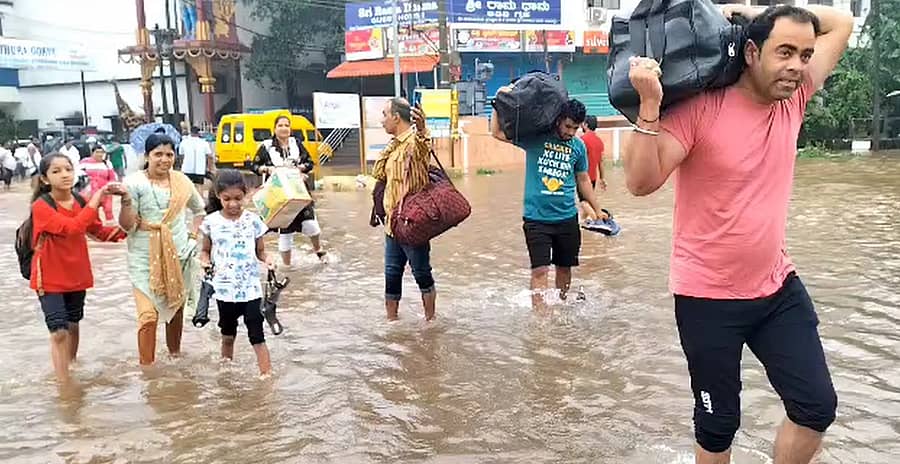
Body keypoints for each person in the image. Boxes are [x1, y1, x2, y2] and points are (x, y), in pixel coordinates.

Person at [624, 5, 852, 462]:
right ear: (751, 52)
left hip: (776, 288)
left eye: (805, 55)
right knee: (717, 426)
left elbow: (841, 22)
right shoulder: (701, 109)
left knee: (816, 406)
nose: (797, 66)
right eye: (784, 52)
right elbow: (640, 183)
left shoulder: (795, 98)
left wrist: (756, 12)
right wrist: (649, 105)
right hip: (706, 298)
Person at [490, 98, 606, 308]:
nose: (571, 132)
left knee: (564, 268)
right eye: (568, 126)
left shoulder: (578, 147)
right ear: (558, 120)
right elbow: (497, 133)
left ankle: (560, 307)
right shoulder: (536, 138)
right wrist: (497, 104)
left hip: (567, 218)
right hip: (536, 218)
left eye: (575, 128)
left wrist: (597, 210)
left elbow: (583, 179)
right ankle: (540, 320)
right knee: (540, 270)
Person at [26, 153, 126, 383]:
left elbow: (97, 231)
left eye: (68, 169)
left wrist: (130, 227)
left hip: (76, 274)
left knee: (73, 324)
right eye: (56, 171)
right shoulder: (41, 206)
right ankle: (64, 385)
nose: (65, 175)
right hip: (49, 277)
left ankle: (71, 367)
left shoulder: (80, 201)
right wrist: (96, 199)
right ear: (45, 179)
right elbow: (72, 227)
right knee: (59, 331)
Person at [118, 134, 206, 366]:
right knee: (148, 317)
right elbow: (127, 226)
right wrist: (125, 201)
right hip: (143, 256)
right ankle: (147, 370)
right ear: (147, 156)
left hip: (179, 254)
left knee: (175, 310)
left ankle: (175, 358)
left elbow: (199, 210)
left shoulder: (182, 181)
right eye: (158, 154)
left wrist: (192, 236)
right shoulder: (134, 183)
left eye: (169, 154)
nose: (164, 159)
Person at [199, 169, 274, 375]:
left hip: (251, 290)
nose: (233, 204)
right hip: (224, 290)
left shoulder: (253, 221)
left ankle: (266, 376)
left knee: (257, 336)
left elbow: (260, 251)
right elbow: (205, 251)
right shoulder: (211, 222)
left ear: (246, 194)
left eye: (238, 199)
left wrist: (268, 260)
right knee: (227, 335)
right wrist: (204, 262)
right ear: (218, 196)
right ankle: (226, 373)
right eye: (227, 199)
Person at [372, 97, 437, 321]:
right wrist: (393, 143)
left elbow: (424, 148)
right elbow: (378, 172)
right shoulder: (396, 145)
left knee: (422, 273)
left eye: (385, 115)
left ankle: (430, 322)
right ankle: (391, 323)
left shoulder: (414, 142)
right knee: (391, 276)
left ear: (396, 117)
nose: (382, 120)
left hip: (412, 222)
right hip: (392, 224)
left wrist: (422, 129)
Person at [252, 115, 326, 267]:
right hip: (278, 196)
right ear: (274, 129)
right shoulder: (266, 147)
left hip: (298, 191)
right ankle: (287, 267)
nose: (284, 128)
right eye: (280, 125)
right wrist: (267, 169)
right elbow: (253, 166)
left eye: (287, 125)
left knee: (311, 224)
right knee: (285, 230)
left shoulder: (296, 144)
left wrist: (300, 169)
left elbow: (309, 162)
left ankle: (318, 250)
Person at [80, 145, 118, 223]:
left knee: (108, 209)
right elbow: (79, 174)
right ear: (92, 153)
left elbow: (112, 177)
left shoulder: (107, 163)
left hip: (105, 190)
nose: (99, 154)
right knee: (92, 210)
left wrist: (110, 186)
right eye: (97, 152)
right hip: (90, 191)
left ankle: (110, 226)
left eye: (101, 152)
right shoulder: (84, 162)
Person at [578, 115, 607, 219]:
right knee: (588, 201)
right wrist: (602, 178)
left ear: (586, 125)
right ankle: (583, 221)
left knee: (583, 202)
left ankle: (597, 219)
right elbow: (601, 162)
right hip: (593, 177)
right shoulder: (599, 141)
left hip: (583, 177)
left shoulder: (582, 140)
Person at [179, 126, 213, 191]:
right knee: (199, 187)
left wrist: (181, 165)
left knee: (187, 188)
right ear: (198, 133)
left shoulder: (184, 142)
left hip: (187, 169)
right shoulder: (204, 143)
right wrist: (209, 168)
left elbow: (181, 156)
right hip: (199, 170)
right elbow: (210, 157)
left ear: (190, 132)